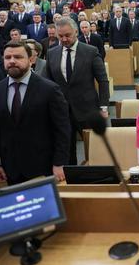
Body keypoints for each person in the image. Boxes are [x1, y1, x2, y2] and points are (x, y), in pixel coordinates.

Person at [0, 41, 70, 185]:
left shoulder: (50, 89)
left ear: (31, 60)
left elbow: (62, 130)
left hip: (44, 168)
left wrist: (60, 163)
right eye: (8, 57)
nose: (12, 61)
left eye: (18, 57)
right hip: (10, 168)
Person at [46, 18, 110, 164]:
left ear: (76, 32)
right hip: (62, 111)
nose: (64, 39)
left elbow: (103, 81)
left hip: (88, 110)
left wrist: (104, 106)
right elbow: (49, 83)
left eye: (67, 35)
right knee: (67, 151)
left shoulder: (90, 51)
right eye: (60, 36)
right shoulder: (52, 53)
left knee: (94, 151)